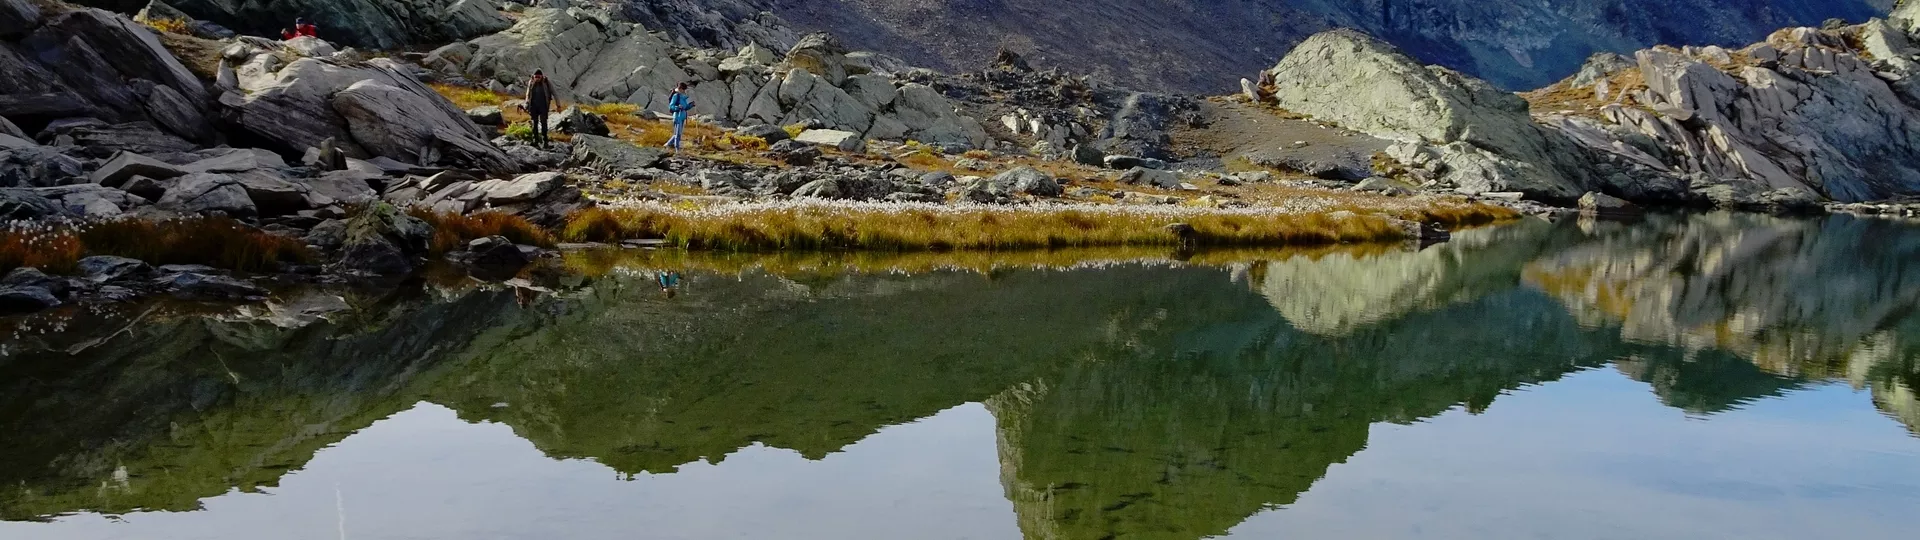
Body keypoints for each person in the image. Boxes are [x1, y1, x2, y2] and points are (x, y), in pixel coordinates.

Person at [524, 70, 560, 148]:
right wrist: (526, 104)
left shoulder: (546, 82)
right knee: (534, 124)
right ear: (533, 76)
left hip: (543, 106)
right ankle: (535, 141)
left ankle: (545, 142)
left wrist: (558, 105)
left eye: (539, 77)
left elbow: (554, 93)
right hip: (533, 106)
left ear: (542, 76)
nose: (537, 78)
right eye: (535, 76)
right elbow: (528, 94)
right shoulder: (531, 82)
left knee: (544, 124)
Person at [665, 82, 695, 151]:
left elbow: (685, 107)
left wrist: (691, 105)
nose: (684, 91)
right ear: (680, 89)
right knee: (677, 133)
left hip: (682, 117)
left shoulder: (683, 97)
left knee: (679, 134)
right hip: (677, 117)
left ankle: (668, 144)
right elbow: (671, 106)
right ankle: (677, 149)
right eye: (683, 89)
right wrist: (677, 107)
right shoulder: (676, 96)